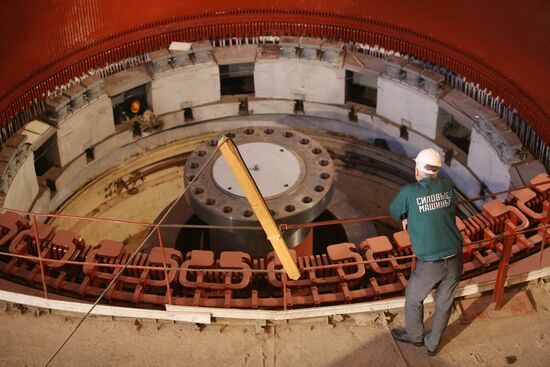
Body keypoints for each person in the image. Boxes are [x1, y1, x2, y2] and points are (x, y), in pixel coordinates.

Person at [389, 148, 463, 356]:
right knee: (444, 304)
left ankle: (415, 337)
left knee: (413, 300)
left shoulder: (409, 192)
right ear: (437, 171)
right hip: (456, 256)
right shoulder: (447, 185)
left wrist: (407, 217)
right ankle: (432, 345)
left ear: (417, 171)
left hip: (431, 263)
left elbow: (394, 211)